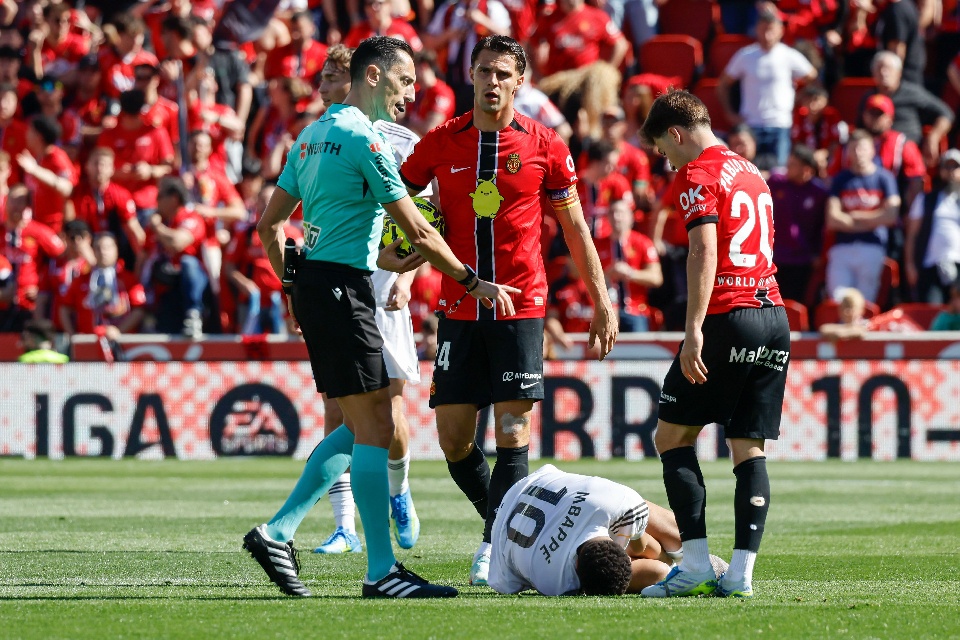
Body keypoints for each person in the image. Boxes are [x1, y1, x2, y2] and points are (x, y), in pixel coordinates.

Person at [246, 36, 516, 600]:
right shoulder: (366, 139)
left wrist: (293, 285)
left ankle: (285, 532)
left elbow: (270, 227)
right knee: (374, 427)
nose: (411, 93)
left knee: (359, 426)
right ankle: (375, 569)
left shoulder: (310, 135)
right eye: (405, 80)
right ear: (373, 76)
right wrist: (474, 282)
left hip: (321, 283)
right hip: (344, 292)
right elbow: (418, 228)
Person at [399, 35, 618, 587]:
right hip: (458, 305)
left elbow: (575, 229)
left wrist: (601, 300)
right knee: (453, 439)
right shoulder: (441, 142)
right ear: (471, 76)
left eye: (502, 73)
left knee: (513, 429)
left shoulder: (546, 145)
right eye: (483, 71)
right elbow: (398, 205)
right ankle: (503, 530)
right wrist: (398, 265)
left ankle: (492, 549)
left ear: (520, 81)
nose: (491, 82)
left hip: (522, 306)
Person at [638, 89, 790, 599]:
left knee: (671, 437)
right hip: (773, 315)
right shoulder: (751, 171)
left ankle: (697, 566)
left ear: (676, 133)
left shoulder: (697, 174)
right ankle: (741, 574)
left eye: (664, 149)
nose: (667, 161)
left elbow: (703, 251)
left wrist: (694, 329)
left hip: (729, 315)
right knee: (748, 446)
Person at [300, 43, 430, 556]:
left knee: (387, 411)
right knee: (337, 406)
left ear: (358, 78)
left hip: (383, 286)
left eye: (333, 76)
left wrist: (409, 280)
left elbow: (425, 221)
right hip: (337, 281)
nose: (324, 86)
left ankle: (399, 489)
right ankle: (344, 527)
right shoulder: (318, 139)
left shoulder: (401, 142)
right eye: (323, 78)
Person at [488, 464, 692, 596]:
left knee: (664, 561)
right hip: (519, 502)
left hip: (533, 485)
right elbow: (641, 546)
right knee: (660, 570)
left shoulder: (556, 583)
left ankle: (681, 563)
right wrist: (662, 559)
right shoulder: (558, 582)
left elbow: (639, 547)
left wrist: (662, 559)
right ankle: (687, 564)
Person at [716, 6, 817, 169]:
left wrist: (798, 99)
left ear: (780, 31)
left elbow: (812, 77)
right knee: (748, 171)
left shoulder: (788, 55)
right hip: (751, 124)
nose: (767, 34)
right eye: (763, 29)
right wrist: (730, 113)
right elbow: (723, 85)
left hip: (780, 124)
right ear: (757, 29)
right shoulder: (746, 55)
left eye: (771, 29)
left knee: (778, 173)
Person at [825, 130, 900, 304]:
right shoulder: (840, 179)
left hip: (872, 246)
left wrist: (855, 216)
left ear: (872, 150)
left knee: (865, 303)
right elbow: (832, 219)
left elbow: (891, 215)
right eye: (853, 149)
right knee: (838, 301)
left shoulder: (884, 178)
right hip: (842, 247)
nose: (858, 153)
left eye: (862, 148)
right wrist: (873, 221)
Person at [767, 144, 829, 304]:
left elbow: (821, 226)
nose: (787, 168)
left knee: (796, 304)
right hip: (776, 256)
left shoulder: (819, 192)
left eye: (793, 165)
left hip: (803, 259)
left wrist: (817, 253)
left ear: (806, 169)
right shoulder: (776, 183)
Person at [905, 149, 960, 304]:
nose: (951, 172)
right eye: (947, 167)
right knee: (931, 310)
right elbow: (912, 234)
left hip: (958, 264)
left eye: (955, 167)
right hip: (931, 266)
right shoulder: (925, 199)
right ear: (940, 170)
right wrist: (910, 264)